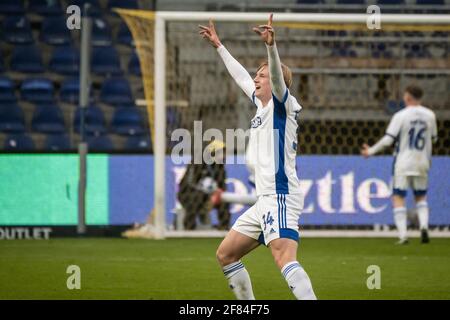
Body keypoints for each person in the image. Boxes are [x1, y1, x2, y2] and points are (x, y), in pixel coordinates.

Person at [199, 14, 316, 300]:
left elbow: (276, 77)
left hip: (280, 195)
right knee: (226, 254)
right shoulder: (261, 106)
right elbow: (240, 76)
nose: (256, 78)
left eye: (261, 75)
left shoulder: (282, 104)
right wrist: (219, 46)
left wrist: (271, 48)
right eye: (258, 74)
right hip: (264, 200)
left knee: (284, 257)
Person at [361, 85, 438, 244]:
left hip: (403, 162)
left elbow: (388, 140)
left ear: (408, 97)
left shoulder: (401, 115)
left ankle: (403, 236)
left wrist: (371, 151)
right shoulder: (430, 115)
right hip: (422, 161)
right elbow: (434, 138)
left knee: (398, 197)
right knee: (421, 197)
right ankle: (424, 226)